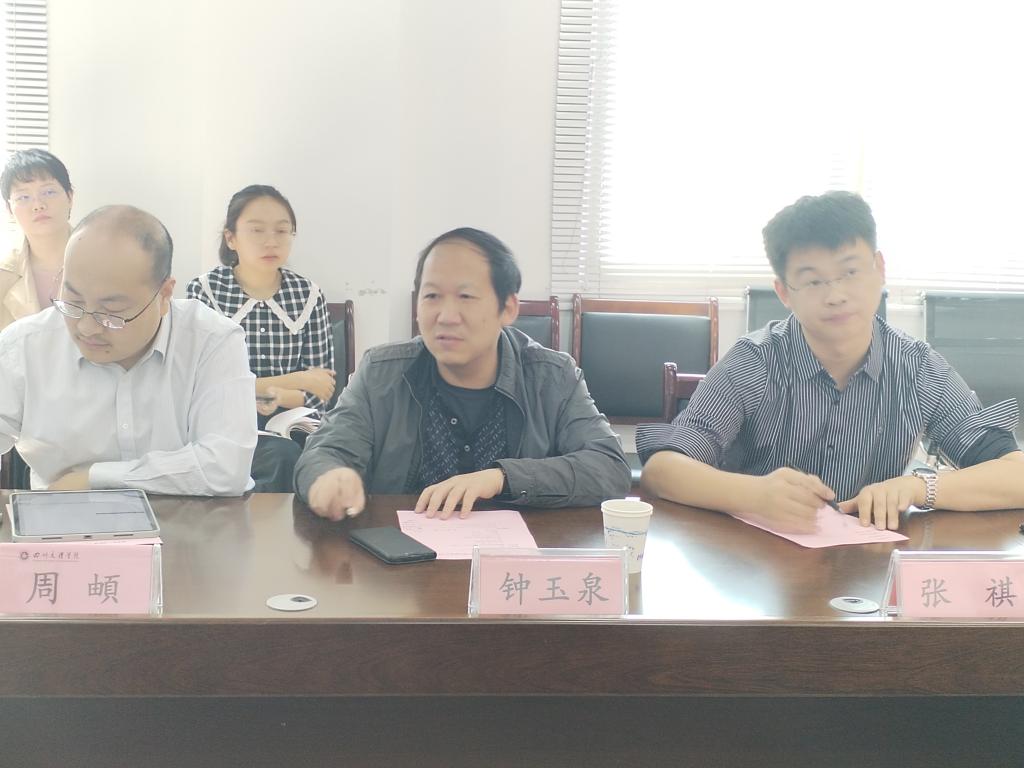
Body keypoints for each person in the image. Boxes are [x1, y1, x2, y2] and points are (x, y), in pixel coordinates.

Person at [638, 191, 1023, 532]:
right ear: (784, 292)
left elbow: (1015, 474)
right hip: (757, 561)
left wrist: (918, 487)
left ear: (880, 269)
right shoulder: (753, 362)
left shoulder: (919, 368)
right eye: (813, 281)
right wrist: (754, 494)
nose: (836, 295)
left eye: (850, 272)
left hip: (869, 566)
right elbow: (661, 471)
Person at [295, 227, 631, 520]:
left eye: (466, 296)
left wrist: (501, 478)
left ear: (508, 308)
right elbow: (323, 453)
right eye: (432, 296)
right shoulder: (381, 373)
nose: (446, 316)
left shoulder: (553, 377)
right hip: (400, 560)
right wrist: (328, 478)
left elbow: (610, 468)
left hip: (514, 562)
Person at [0, 205, 257, 494]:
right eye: (73, 301)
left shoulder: (211, 342)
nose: (86, 327)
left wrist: (96, 478)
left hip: (190, 517)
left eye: (111, 312)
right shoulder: (24, 347)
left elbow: (226, 465)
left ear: (164, 295)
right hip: (61, 514)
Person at [187, 185, 334, 492]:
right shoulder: (204, 292)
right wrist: (299, 379)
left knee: (299, 456)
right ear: (231, 238)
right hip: (221, 427)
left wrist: (279, 395)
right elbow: (199, 385)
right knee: (277, 459)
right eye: (257, 230)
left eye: (282, 231)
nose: (271, 241)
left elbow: (322, 392)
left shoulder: (308, 295)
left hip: (292, 426)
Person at [0, 149, 74, 331]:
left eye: (49, 192)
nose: (38, 205)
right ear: (9, 209)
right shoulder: (3, 275)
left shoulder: (106, 260)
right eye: (23, 197)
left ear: (70, 197)